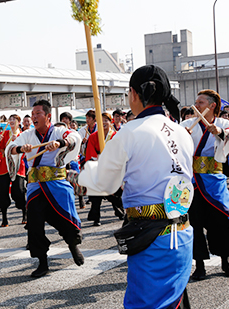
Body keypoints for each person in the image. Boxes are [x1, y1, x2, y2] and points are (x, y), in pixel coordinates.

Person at [78, 65, 193, 308]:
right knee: (173, 298)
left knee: (145, 303)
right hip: (182, 231)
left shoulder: (130, 131)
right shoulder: (181, 131)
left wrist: (84, 173)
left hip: (151, 235)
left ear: (133, 93)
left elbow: (104, 184)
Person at [8, 100, 84, 278]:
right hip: (35, 186)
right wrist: (20, 148)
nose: (34, 117)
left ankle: (73, 245)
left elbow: (74, 137)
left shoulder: (58, 131)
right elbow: (10, 148)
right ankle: (42, 262)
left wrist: (60, 143)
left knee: (65, 219)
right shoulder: (27, 135)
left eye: (38, 114)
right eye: (32, 114)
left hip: (57, 184)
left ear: (48, 116)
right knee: (34, 225)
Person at [180, 89, 229, 280]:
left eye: (200, 103)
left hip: (214, 180)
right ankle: (199, 265)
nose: (196, 105)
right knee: (194, 224)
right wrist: (181, 136)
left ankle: (226, 260)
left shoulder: (224, 123)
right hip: (191, 181)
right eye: (196, 102)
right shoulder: (186, 124)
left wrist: (220, 133)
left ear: (212, 106)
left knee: (222, 221)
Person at [84, 113, 124, 226]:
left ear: (110, 122)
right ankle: (96, 218)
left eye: (106, 120)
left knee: (115, 193)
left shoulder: (116, 136)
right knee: (96, 195)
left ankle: (120, 211)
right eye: (101, 121)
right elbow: (90, 153)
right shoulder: (93, 137)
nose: (104, 123)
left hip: (112, 168)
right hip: (98, 167)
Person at [0, 114, 27, 227]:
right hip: (4, 165)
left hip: (18, 165)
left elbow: (26, 149)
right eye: (10, 119)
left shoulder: (23, 135)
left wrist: (17, 141)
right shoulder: (3, 134)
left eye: (14, 119)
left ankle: (24, 211)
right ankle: (4, 217)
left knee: (18, 191)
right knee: (2, 192)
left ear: (19, 122)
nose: (12, 121)